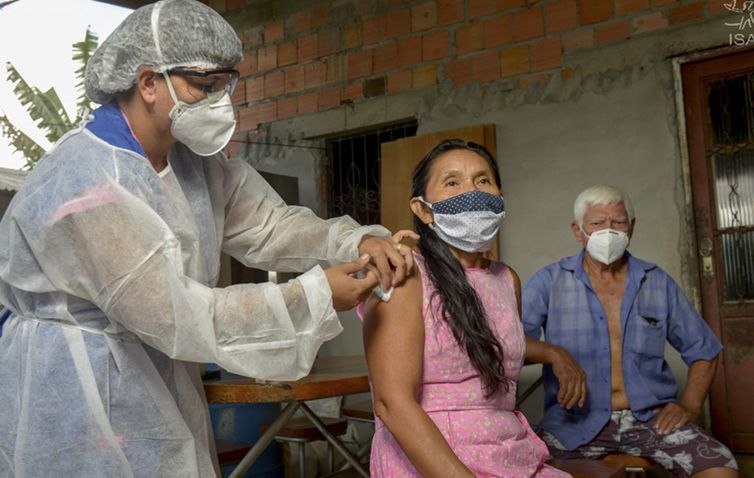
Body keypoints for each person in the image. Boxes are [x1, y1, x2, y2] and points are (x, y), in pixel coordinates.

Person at [0, 1, 414, 477]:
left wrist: (354, 241)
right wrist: (315, 295)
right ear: (149, 81)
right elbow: (179, 314)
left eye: (226, 84)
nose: (221, 101)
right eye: (204, 85)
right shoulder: (86, 186)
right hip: (79, 383)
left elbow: (268, 225)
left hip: (154, 369)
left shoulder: (193, 163)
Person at [359, 139, 570, 478]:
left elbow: (491, 344)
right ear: (424, 210)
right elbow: (392, 404)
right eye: (452, 182)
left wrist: (555, 353)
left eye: (483, 180)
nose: (472, 192)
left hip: (510, 451)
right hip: (432, 460)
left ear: (499, 199)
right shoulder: (406, 274)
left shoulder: (506, 279)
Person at [522, 185, 738, 478]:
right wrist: (553, 353)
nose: (608, 231)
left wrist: (689, 404)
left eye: (618, 222)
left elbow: (704, 350)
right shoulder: (550, 281)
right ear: (577, 230)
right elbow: (510, 345)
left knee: (719, 469)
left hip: (651, 420)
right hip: (573, 422)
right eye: (597, 223)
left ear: (631, 227)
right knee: (526, 468)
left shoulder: (657, 282)